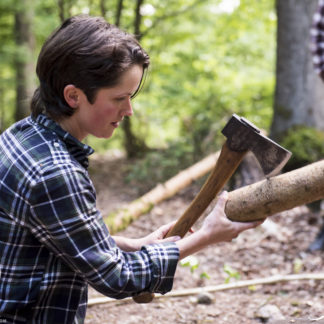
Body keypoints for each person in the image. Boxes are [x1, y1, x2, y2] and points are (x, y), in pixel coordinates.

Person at [0, 15, 262, 324]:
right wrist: (207, 236)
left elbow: (53, 237)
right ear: (74, 96)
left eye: (131, 97)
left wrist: (132, 246)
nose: (129, 110)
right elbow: (116, 277)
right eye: (119, 98)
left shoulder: (19, 136)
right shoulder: (56, 172)